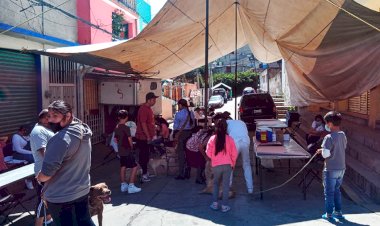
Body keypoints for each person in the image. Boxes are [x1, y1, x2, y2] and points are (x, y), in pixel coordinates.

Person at [36, 100, 95, 226]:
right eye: (49, 116)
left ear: (68, 116)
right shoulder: (82, 130)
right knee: (84, 221)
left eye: (55, 116)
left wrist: (39, 178)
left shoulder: (60, 139)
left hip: (61, 196)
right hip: (82, 189)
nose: (50, 120)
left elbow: (47, 173)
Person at [317, 111, 347, 221]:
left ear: (329, 124)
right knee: (337, 190)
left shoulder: (328, 137)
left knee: (329, 193)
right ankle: (338, 212)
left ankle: (329, 214)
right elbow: (339, 148)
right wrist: (324, 149)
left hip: (330, 169)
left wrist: (322, 151)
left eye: (326, 123)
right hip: (341, 168)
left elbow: (326, 154)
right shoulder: (343, 135)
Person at [206, 118, 238, 213]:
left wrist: (214, 159)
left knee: (216, 184)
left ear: (216, 127)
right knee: (225, 186)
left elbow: (208, 152)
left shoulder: (212, 139)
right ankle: (224, 206)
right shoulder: (230, 139)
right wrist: (233, 164)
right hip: (228, 165)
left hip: (216, 166)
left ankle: (215, 204)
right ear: (226, 128)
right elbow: (234, 154)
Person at [30, 109, 55, 226]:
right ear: (44, 118)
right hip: (45, 171)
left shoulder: (45, 128)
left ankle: (48, 220)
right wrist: (54, 166)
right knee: (43, 200)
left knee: (48, 199)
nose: (51, 119)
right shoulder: (38, 131)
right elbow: (43, 152)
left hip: (49, 171)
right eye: (49, 117)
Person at [221, 111, 254, 194]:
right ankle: (250, 188)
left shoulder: (225, 123)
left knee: (230, 165)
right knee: (246, 164)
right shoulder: (240, 122)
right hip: (245, 141)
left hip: (234, 142)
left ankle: (228, 187)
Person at [114, 110, 141, 194]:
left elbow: (115, 139)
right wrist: (132, 146)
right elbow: (129, 139)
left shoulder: (117, 127)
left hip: (120, 150)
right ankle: (131, 185)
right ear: (127, 117)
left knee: (123, 166)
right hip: (127, 150)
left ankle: (123, 185)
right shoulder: (126, 128)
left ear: (118, 117)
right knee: (135, 166)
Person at [136, 92, 159, 182]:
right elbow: (143, 123)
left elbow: (149, 122)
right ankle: (144, 174)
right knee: (144, 156)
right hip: (143, 137)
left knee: (146, 155)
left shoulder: (148, 109)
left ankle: (145, 172)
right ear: (148, 100)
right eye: (153, 99)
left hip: (146, 136)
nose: (155, 101)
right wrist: (148, 136)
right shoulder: (144, 109)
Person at [173, 99, 195, 180]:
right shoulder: (191, 113)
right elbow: (193, 125)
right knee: (188, 153)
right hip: (189, 134)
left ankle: (181, 173)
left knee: (181, 154)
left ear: (180, 105)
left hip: (181, 134)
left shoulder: (178, 114)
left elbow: (175, 127)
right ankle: (188, 171)